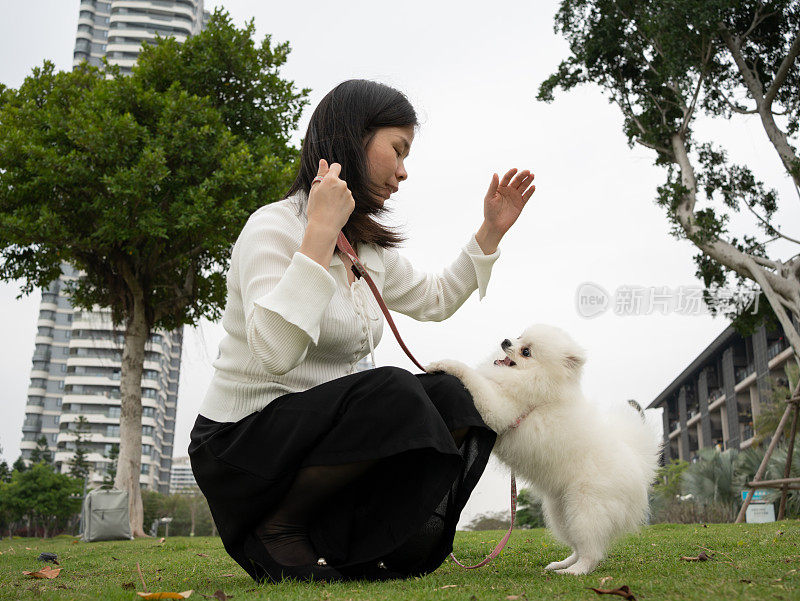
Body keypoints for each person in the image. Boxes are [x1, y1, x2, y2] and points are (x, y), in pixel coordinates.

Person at [188, 79, 535, 584]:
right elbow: (275, 354)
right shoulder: (273, 229)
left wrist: (491, 232)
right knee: (391, 389)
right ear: (352, 137)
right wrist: (320, 234)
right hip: (244, 447)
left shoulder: (367, 249)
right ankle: (279, 527)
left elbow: (434, 298)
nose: (403, 171)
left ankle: (358, 533)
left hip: (319, 442)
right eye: (396, 150)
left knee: (455, 396)